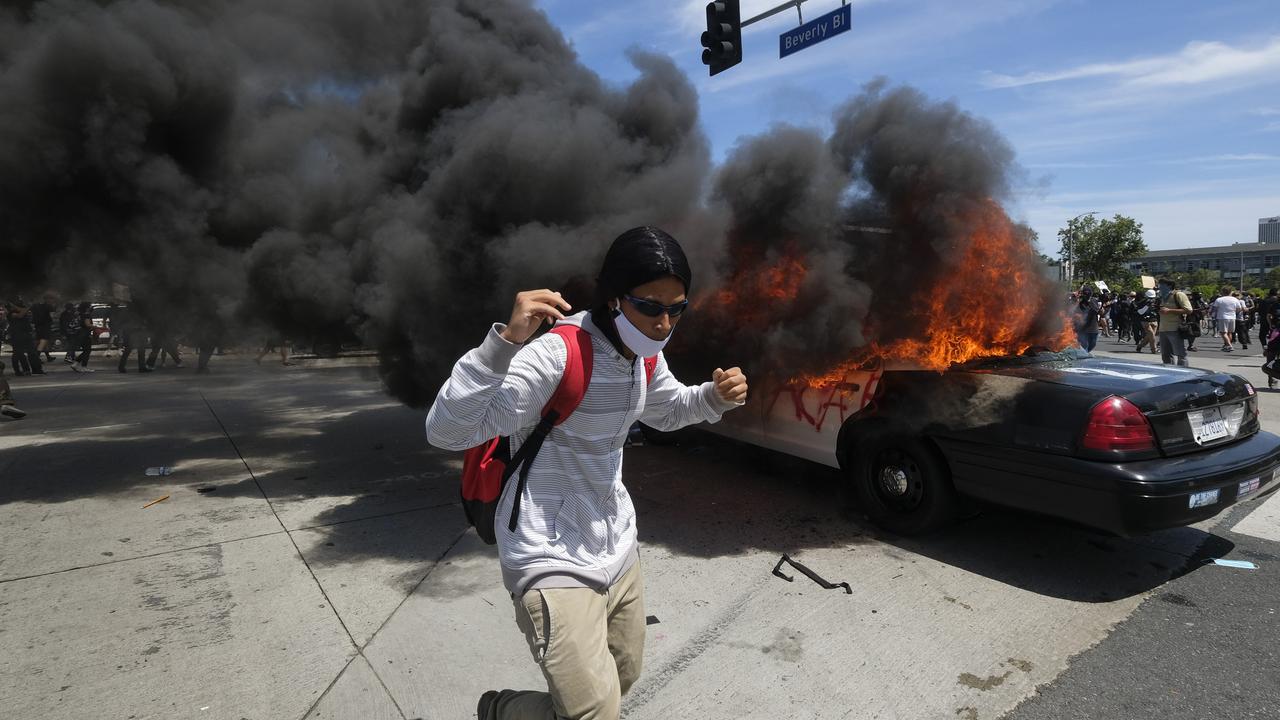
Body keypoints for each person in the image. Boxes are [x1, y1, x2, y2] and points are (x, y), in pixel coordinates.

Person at [425, 227, 747, 720]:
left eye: (676, 308)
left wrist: (711, 398)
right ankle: (505, 710)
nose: (664, 324)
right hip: (548, 553)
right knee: (595, 712)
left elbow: (665, 409)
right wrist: (503, 345)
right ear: (616, 299)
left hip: (616, 544)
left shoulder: (643, 354)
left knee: (622, 678)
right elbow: (448, 430)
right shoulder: (558, 352)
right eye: (651, 307)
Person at [1156, 278, 1192, 367]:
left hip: (1175, 328)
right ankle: (1169, 372)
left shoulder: (1179, 295)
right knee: (1165, 355)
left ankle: (1183, 373)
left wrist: (1170, 310)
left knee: (1180, 354)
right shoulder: (1161, 297)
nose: (1159, 287)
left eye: (1161, 285)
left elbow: (1188, 310)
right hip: (1163, 329)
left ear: (1169, 285)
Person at [6, 299, 44, 376]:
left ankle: (36, 370)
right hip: (16, 335)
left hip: (26, 334)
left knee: (32, 353)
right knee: (19, 354)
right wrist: (15, 306)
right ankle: (23, 370)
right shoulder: (11, 313)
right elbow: (21, 314)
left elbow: (25, 311)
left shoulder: (24, 311)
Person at [112, 304, 152, 374]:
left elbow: (121, 324)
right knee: (136, 350)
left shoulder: (128, 312)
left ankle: (122, 367)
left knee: (132, 351)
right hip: (133, 333)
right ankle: (140, 367)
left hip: (133, 333)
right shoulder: (135, 313)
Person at [1073, 286, 1102, 352]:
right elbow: (1075, 313)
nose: (1087, 295)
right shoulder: (1080, 303)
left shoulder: (1094, 301)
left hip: (1093, 328)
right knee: (1084, 346)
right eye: (1085, 294)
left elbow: (1096, 310)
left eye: (1088, 294)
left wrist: (1089, 302)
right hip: (1083, 329)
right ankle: (1085, 357)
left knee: (1092, 344)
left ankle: (1086, 354)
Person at [1210, 287, 1239, 352]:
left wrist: (1211, 313)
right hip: (1232, 317)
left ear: (1222, 292)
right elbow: (1239, 309)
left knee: (1223, 333)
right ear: (1230, 292)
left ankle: (1229, 346)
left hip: (1222, 317)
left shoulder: (1219, 299)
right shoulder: (1235, 299)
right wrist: (1234, 313)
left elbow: (1214, 308)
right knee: (1230, 332)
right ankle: (1227, 345)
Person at [70, 301, 95, 372]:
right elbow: (87, 324)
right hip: (85, 334)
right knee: (87, 350)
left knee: (85, 350)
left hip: (79, 334)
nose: (91, 307)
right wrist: (95, 326)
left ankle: (75, 364)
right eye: (90, 306)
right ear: (87, 308)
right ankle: (84, 366)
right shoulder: (86, 315)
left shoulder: (79, 314)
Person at [32, 292, 55, 363]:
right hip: (45, 326)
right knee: (43, 342)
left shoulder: (36, 306)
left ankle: (48, 357)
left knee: (41, 342)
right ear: (48, 299)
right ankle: (36, 358)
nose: (52, 300)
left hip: (37, 326)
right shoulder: (49, 306)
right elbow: (52, 316)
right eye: (51, 299)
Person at [1134, 289, 1159, 355]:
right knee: (1151, 335)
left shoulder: (1157, 301)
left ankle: (1140, 346)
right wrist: (1147, 305)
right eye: (1150, 298)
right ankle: (1154, 349)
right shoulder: (1142, 302)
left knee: (1149, 336)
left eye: (1153, 298)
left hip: (1154, 319)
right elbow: (1140, 312)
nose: (1152, 299)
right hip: (1145, 320)